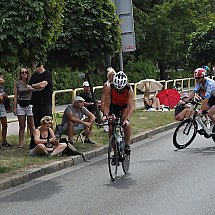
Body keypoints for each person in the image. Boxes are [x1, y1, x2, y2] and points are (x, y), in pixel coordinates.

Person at [103, 71, 135, 158]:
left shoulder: (129, 89)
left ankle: (127, 144)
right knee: (110, 127)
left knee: (126, 124)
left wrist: (127, 119)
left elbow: (131, 107)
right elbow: (106, 103)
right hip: (114, 106)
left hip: (124, 106)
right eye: (117, 89)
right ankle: (115, 152)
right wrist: (105, 115)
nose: (119, 91)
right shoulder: (110, 87)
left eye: (121, 89)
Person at [14, 67, 35, 148]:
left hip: (30, 104)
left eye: (25, 72)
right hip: (20, 104)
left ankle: (33, 142)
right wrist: (15, 107)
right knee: (22, 125)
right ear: (20, 74)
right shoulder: (17, 83)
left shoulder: (31, 81)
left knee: (31, 126)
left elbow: (35, 90)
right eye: (22, 72)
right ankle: (21, 143)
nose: (24, 74)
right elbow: (16, 96)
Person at [29, 62, 53, 128]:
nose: (33, 68)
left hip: (46, 103)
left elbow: (42, 84)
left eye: (34, 66)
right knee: (37, 123)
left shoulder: (47, 74)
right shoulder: (34, 76)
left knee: (47, 122)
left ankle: (48, 136)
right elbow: (29, 87)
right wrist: (38, 88)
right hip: (36, 103)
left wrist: (34, 85)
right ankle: (38, 137)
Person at [0, 73, 12, 148]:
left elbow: (4, 97)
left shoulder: (2, 87)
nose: (2, 79)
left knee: (5, 124)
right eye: (1, 78)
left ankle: (4, 141)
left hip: (1, 106)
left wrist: (5, 96)